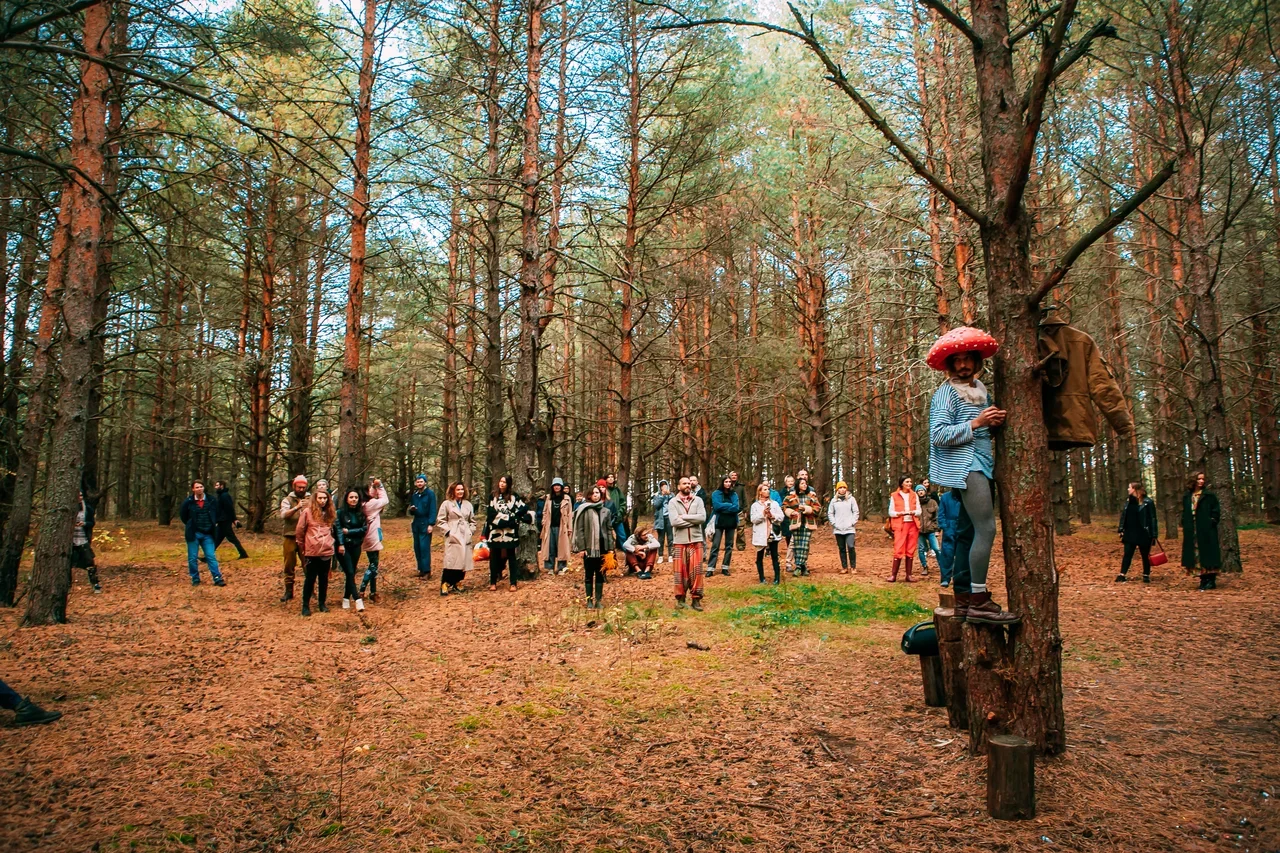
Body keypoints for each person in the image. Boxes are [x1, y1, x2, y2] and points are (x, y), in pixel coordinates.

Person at [927, 326, 1019, 624]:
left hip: (983, 461)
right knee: (987, 529)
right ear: (949, 364)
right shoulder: (946, 394)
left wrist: (991, 422)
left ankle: (965, 599)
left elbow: (980, 425)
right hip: (966, 466)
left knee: (967, 534)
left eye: (969, 359)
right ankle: (979, 599)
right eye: (958, 360)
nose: (964, 365)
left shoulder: (981, 390)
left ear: (977, 362)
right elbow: (938, 435)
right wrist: (977, 423)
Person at [483, 475, 531, 591]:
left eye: (504, 482)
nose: (502, 484)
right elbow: (490, 514)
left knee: (511, 557)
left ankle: (513, 583)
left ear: (508, 484)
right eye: (500, 481)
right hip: (496, 531)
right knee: (494, 557)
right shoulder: (492, 496)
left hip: (510, 532)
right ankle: (493, 582)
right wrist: (505, 519)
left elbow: (523, 508)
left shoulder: (514, 497)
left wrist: (513, 518)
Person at [296, 488, 337, 616]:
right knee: (310, 578)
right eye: (320, 498)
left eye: (325, 498)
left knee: (324, 578)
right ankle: (305, 605)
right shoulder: (307, 513)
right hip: (311, 551)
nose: (323, 501)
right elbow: (300, 530)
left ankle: (322, 603)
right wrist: (303, 546)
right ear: (315, 499)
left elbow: (332, 530)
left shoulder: (330, 513)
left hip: (326, 551)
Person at [667, 476, 707, 610]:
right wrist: (692, 520)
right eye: (684, 483)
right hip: (679, 542)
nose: (687, 485)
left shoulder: (698, 500)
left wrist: (683, 517)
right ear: (679, 486)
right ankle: (681, 599)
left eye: (689, 483)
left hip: (696, 541)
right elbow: (674, 522)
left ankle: (696, 599)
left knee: (697, 572)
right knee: (680, 572)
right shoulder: (673, 502)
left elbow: (702, 518)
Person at [572, 485, 615, 609]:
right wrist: (582, 548)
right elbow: (580, 530)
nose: (596, 494)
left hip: (603, 547)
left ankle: (598, 600)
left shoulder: (605, 511)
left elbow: (608, 529)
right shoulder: (583, 509)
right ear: (589, 495)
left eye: (598, 492)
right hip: (589, 548)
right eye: (593, 493)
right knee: (589, 574)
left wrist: (611, 547)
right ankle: (589, 600)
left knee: (600, 574)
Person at [180, 480, 225, 587]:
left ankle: (217, 577)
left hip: (208, 533)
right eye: (197, 487)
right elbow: (183, 515)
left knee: (210, 556)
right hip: (193, 533)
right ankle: (195, 578)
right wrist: (190, 524)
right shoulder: (188, 502)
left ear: (203, 488)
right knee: (192, 557)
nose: (199, 489)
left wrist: (214, 524)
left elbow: (217, 513)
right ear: (193, 489)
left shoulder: (211, 500)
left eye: (201, 486)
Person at [1181, 471, 1221, 591]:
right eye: (1199, 479)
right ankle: (1203, 578)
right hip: (1192, 529)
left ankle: (1210, 579)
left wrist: (1211, 521)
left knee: (1208, 553)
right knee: (1196, 554)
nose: (1201, 481)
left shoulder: (1209, 496)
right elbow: (1185, 512)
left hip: (1206, 529)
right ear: (1194, 480)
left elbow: (1216, 511)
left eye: (1203, 479)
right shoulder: (1187, 496)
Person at [436, 482, 476, 596]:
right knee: (451, 560)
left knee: (463, 560)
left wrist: (471, 530)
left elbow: (472, 520)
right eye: (458, 489)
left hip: (465, 534)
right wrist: (448, 531)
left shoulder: (468, 504)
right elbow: (441, 520)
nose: (460, 492)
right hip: (453, 533)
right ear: (453, 491)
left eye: (462, 489)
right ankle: (445, 583)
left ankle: (457, 582)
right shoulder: (446, 504)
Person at [1117, 481, 1158, 584]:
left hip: (1143, 532)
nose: (1128, 489)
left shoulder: (1148, 502)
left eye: (1129, 487)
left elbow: (1153, 518)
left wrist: (1154, 534)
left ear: (1135, 489)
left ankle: (1146, 574)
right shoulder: (1128, 502)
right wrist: (1121, 529)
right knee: (1127, 554)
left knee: (1145, 555)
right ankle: (1122, 574)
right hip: (1130, 532)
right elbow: (1124, 516)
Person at [357, 478, 390, 601]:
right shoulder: (370, 505)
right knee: (373, 565)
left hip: (368, 536)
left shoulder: (363, 504)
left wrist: (373, 486)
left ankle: (373, 591)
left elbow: (371, 495)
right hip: (372, 536)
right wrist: (380, 486)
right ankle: (362, 589)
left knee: (373, 564)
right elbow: (385, 500)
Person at [279, 475, 310, 601]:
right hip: (290, 536)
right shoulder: (287, 499)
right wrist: (297, 507)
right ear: (294, 486)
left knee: (308, 565)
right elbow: (283, 515)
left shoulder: (311, 498)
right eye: (299, 487)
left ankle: (310, 590)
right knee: (289, 565)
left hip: (307, 537)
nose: (301, 489)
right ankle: (288, 591)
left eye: (303, 487)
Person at [782, 475, 820, 577]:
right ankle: (801, 567)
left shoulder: (811, 496)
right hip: (796, 524)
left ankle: (800, 565)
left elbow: (817, 508)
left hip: (808, 524)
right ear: (798, 485)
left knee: (805, 545)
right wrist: (790, 512)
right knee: (797, 545)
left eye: (805, 483)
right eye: (802, 483)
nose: (804, 485)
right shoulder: (792, 496)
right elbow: (784, 506)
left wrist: (807, 509)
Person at [336, 488, 368, 610]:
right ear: (346, 499)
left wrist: (349, 531)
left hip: (356, 545)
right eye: (351, 497)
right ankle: (357, 599)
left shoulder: (361, 513)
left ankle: (345, 598)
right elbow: (338, 530)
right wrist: (341, 543)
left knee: (352, 573)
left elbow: (364, 529)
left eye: (356, 497)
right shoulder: (340, 512)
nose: (354, 499)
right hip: (343, 546)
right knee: (349, 571)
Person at [887, 476, 922, 582]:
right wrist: (899, 513)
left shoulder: (914, 495)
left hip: (912, 524)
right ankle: (893, 575)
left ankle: (909, 575)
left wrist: (913, 512)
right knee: (898, 548)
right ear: (902, 483)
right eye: (907, 481)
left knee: (910, 549)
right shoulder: (894, 495)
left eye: (910, 481)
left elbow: (919, 510)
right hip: (900, 524)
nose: (909, 483)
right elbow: (891, 512)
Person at [750, 483, 784, 584]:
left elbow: (781, 517)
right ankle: (762, 578)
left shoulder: (774, 504)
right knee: (759, 556)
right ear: (760, 492)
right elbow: (753, 519)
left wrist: (772, 515)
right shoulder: (755, 506)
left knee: (774, 555)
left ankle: (777, 578)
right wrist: (763, 514)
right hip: (761, 533)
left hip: (773, 532)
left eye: (768, 489)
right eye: (765, 489)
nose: (767, 491)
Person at [706, 476, 740, 576]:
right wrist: (729, 506)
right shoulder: (716, 493)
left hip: (731, 521)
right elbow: (716, 506)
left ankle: (725, 567)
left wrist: (724, 506)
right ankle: (710, 568)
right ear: (722, 482)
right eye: (726, 481)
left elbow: (736, 507)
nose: (728, 483)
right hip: (718, 522)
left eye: (729, 482)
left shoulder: (734, 494)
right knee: (715, 545)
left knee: (729, 545)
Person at [538, 477, 573, 575]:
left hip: (562, 526)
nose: (557, 487)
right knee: (550, 547)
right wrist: (544, 522)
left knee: (562, 547)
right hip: (550, 526)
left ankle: (562, 567)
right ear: (552, 487)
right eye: (555, 485)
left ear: (561, 487)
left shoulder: (567, 498)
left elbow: (570, 514)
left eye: (558, 485)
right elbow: (545, 511)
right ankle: (550, 567)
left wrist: (570, 528)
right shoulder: (549, 498)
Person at [407, 474, 437, 579]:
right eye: (418, 482)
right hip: (416, 523)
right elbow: (411, 510)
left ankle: (427, 571)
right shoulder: (415, 495)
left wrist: (431, 524)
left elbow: (433, 509)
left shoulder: (430, 494)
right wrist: (412, 510)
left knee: (424, 548)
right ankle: (421, 569)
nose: (419, 483)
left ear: (425, 482)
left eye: (421, 481)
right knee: (417, 547)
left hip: (425, 523)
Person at [72, 491, 101, 593]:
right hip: (70, 542)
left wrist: (84, 523)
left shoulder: (87, 508)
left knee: (89, 562)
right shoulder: (68, 508)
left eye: (81, 495)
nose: (79, 497)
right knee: (67, 563)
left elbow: (91, 522)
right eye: (78, 495)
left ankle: (95, 584)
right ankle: (66, 585)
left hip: (82, 539)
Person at [827, 481, 859, 573]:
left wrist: (852, 522)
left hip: (849, 528)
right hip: (838, 529)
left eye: (844, 488)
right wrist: (834, 523)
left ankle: (853, 566)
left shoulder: (851, 499)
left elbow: (855, 512)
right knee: (841, 548)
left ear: (846, 489)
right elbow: (830, 513)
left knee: (851, 546)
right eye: (840, 488)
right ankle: (844, 567)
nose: (842, 489)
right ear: (837, 489)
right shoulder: (834, 501)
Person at [212, 481, 249, 559]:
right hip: (222, 520)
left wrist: (234, 519)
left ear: (222, 486)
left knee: (231, 538)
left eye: (217, 485)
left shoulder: (224, 496)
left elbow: (230, 508)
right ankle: (208, 556)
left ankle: (243, 553)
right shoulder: (221, 495)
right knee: (217, 539)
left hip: (225, 521)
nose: (215, 487)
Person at [936, 488, 961, 589]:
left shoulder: (965, 497)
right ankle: (945, 578)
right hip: (949, 528)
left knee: (961, 554)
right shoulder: (945, 497)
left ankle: (960, 578)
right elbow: (941, 514)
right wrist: (945, 527)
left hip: (962, 527)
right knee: (947, 553)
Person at [916, 484, 940, 576]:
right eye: (918, 491)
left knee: (936, 549)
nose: (920, 492)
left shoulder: (932, 502)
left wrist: (936, 528)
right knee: (921, 549)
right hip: (920, 531)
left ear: (925, 491)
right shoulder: (915, 503)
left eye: (922, 490)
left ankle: (942, 566)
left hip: (931, 530)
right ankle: (924, 566)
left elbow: (937, 517)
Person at [651, 481, 673, 564]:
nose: (664, 487)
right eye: (662, 486)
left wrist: (669, 495)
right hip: (660, 519)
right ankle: (660, 556)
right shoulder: (656, 495)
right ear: (660, 487)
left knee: (670, 538)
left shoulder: (671, 495)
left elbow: (674, 503)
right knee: (661, 538)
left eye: (665, 486)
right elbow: (656, 505)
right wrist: (662, 496)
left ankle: (671, 555)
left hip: (669, 518)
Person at [780, 474, 797, 573]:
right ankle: (789, 561)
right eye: (788, 481)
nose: (790, 483)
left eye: (792, 481)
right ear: (785, 482)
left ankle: (795, 561)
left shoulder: (797, 491)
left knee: (795, 541)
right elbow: (782, 504)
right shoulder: (782, 492)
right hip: (786, 519)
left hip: (796, 518)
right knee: (789, 539)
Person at [605, 473, 628, 542]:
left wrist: (620, 513)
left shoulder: (617, 491)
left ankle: (627, 551)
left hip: (617, 517)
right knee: (607, 538)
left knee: (622, 536)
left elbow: (623, 503)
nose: (611, 478)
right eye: (608, 477)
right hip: (606, 518)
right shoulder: (603, 490)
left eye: (612, 477)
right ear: (605, 480)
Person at [730, 471, 749, 551]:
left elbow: (744, 498)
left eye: (735, 475)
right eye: (732, 475)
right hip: (729, 511)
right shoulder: (727, 486)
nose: (734, 476)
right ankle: (729, 545)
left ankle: (741, 545)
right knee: (730, 529)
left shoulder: (741, 487)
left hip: (739, 511)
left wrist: (745, 510)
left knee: (740, 529)